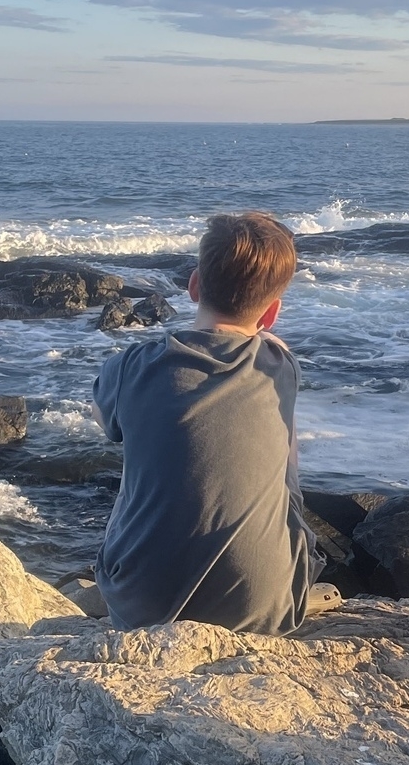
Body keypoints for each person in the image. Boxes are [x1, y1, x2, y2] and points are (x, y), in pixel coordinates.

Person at [93, 209, 322, 634]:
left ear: (194, 285)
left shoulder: (129, 367)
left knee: (137, 470)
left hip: (142, 611)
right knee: (281, 444)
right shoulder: (281, 366)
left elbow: (106, 421)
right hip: (264, 610)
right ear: (271, 314)